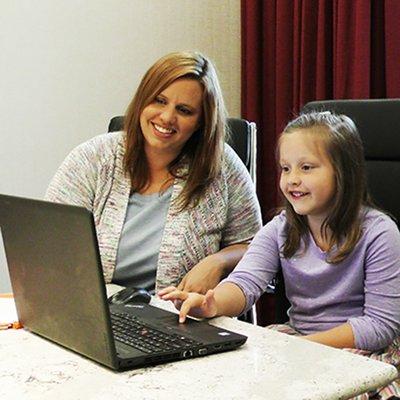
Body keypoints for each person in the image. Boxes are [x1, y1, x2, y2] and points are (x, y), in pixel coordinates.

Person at [159, 111, 400, 399]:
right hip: (300, 339)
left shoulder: (380, 233)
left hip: (366, 353)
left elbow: (379, 326)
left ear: (344, 172)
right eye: (286, 169)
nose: (292, 180)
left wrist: (302, 348)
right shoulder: (280, 229)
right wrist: (211, 304)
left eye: (307, 167)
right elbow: (244, 284)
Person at [45, 51, 262, 294]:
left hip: (181, 316)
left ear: (202, 121)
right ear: (142, 100)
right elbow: (51, 239)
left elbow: (255, 245)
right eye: (159, 100)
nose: (167, 117)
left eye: (184, 110)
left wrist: (218, 262)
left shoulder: (222, 166)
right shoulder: (93, 158)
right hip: (92, 309)